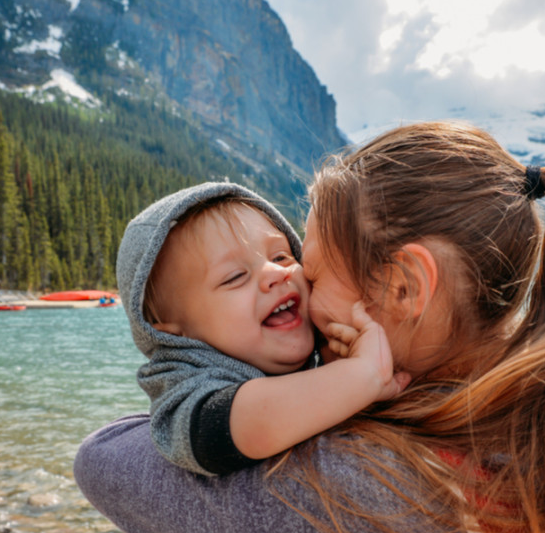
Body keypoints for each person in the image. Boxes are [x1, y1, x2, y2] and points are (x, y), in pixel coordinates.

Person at [76, 122, 545, 533]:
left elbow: (102, 460)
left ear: (405, 285)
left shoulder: (348, 493)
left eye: (302, 266)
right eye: (238, 277)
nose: (293, 288)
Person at [116, 181, 405, 477]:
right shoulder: (186, 389)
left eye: (282, 256)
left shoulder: (331, 347)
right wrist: (363, 375)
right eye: (235, 276)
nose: (275, 273)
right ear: (174, 333)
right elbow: (247, 424)